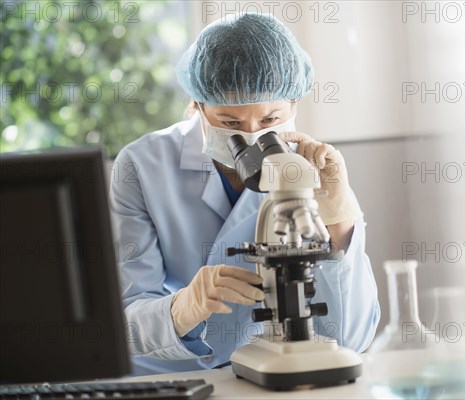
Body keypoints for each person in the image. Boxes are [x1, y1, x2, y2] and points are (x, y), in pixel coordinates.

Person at [110, 13, 380, 375]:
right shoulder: (141, 165)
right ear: (198, 104)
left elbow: (353, 337)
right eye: (231, 123)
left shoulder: (312, 167)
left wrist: (338, 217)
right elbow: (123, 324)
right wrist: (184, 307)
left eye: (270, 121)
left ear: (294, 105)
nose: (252, 138)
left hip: (272, 370)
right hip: (174, 375)